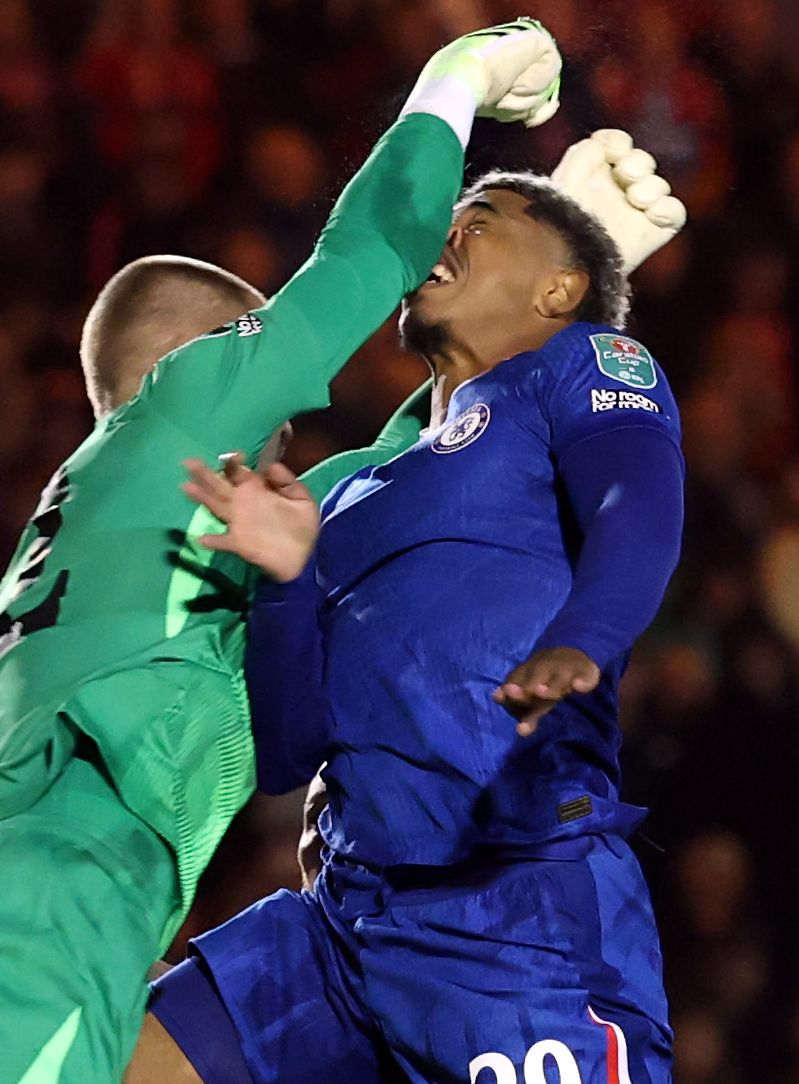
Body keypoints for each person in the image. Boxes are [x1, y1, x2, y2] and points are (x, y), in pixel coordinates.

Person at [0, 21, 567, 1083]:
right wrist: (460, 78)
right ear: (194, 364)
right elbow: (367, 257)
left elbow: (389, 487)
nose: (289, 447)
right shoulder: (186, 413)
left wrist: (556, 305)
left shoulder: (128, 548)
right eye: (280, 422)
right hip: (25, 955)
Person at [133, 159, 689, 1082]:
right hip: (342, 924)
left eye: (482, 220)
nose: (445, 235)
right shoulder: (349, 495)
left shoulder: (581, 366)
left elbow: (641, 503)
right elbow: (285, 752)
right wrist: (283, 581)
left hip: (516, 924)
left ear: (560, 287)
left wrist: (587, 635)